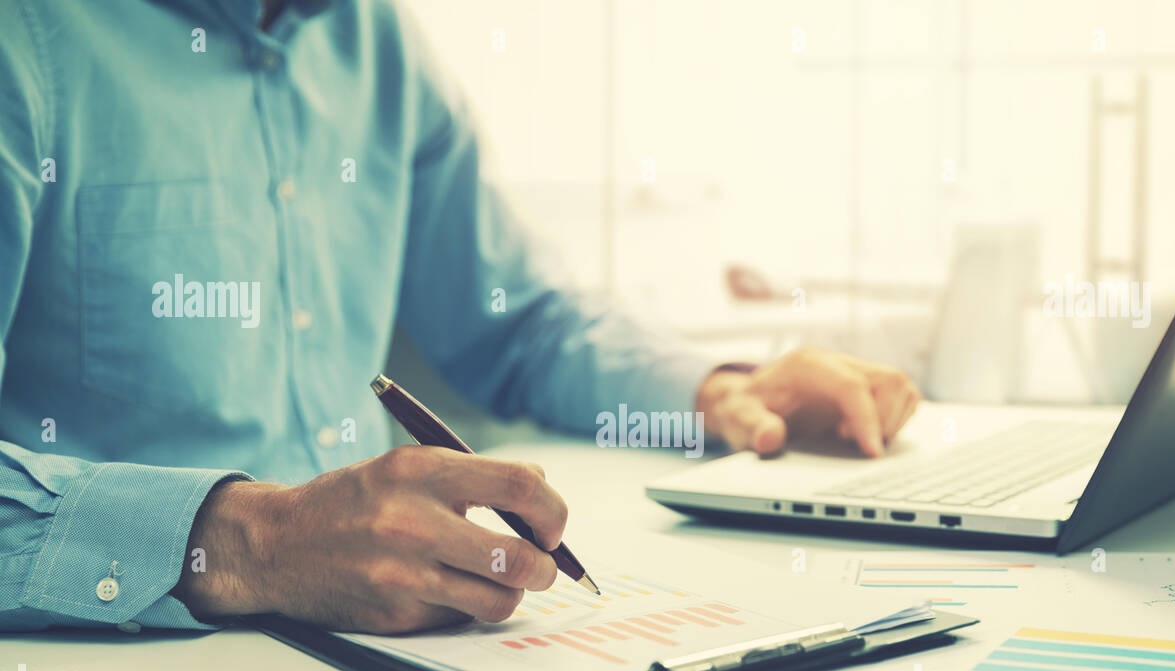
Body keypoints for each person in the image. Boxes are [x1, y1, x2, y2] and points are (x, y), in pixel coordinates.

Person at [0, 0, 919, 635]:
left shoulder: (376, 43)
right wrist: (256, 542)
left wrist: (718, 393)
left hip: (386, 659)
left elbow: (515, 322)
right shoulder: (26, 39)